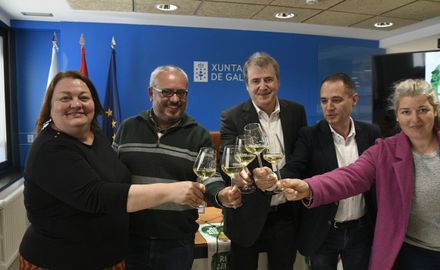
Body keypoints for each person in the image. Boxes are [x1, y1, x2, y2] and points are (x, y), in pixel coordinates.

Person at [276, 79, 440, 270]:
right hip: (413, 254)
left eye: (422, 110)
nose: (415, 119)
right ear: (398, 116)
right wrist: (310, 187)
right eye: (406, 112)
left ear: (434, 111)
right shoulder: (386, 151)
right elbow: (351, 176)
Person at [19, 71, 209, 270]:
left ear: (94, 103)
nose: (76, 104)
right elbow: (97, 196)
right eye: (65, 98)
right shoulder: (50, 149)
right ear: (50, 106)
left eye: (84, 97)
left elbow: (116, 179)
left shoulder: (95, 135)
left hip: (112, 257)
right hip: (59, 260)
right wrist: (171, 191)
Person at [113, 65, 241, 270]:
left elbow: (209, 177)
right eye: (167, 92)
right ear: (150, 93)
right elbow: (112, 176)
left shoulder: (198, 135)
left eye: (181, 93)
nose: (175, 99)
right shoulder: (127, 129)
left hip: (176, 244)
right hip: (130, 240)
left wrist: (221, 195)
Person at [276, 73, 381, 270]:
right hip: (323, 230)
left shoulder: (371, 134)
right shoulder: (309, 136)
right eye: (324, 101)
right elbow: (295, 167)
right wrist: (276, 177)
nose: (329, 107)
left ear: (354, 100)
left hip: (361, 230)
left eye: (336, 100)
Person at [220, 52, 307, 270]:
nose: (262, 86)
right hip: (246, 216)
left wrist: (277, 178)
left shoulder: (296, 112)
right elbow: (229, 158)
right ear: (246, 85)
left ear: (278, 81)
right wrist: (239, 176)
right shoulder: (231, 117)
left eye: (268, 79)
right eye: (255, 81)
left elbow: (300, 158)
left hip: (285, 215)